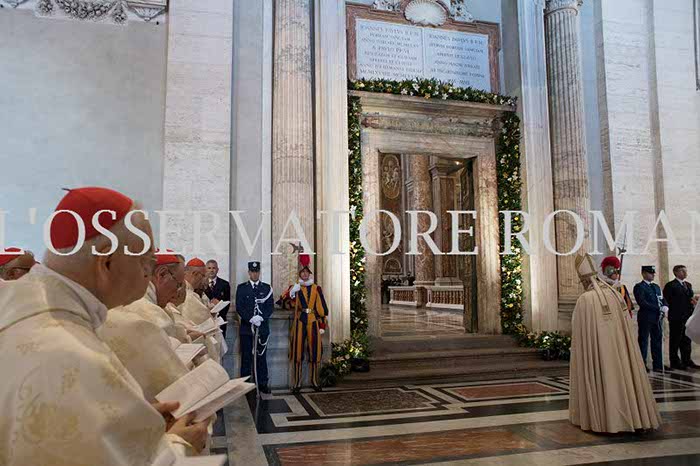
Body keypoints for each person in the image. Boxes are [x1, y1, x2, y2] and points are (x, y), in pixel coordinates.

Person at [0, 186, 209, 465]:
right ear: (106, 262)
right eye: (146, 262)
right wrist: (179, 445)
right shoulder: (71, 356)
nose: (148, 274)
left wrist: (139, 423)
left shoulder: (23, 312)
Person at [569, 253, 661, 433]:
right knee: (625, 376)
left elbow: (580, 335)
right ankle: (635, 416)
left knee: (604, 378)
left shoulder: (584, 300)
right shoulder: (615, 294)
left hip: (599, 353)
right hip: (621, 351)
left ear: (584, 280)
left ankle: (607, 419)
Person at [98, 250, 191, 400]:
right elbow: (174, 387)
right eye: (179, 284)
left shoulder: (117, 301)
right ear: (162, 274)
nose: (178, 291)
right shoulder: (151, 314)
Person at [289, 254, 329, 392]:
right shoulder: (295, 287)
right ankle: (297, 383)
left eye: (307, 272)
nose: (305, 274)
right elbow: (286, 303)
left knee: (315, 351)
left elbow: (322, 308)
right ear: (300, 273)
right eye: (302, 272)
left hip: (312, 320)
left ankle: (314, 381)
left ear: (309, 273)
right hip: (300, 321)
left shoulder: (316, 288)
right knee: (297, 352)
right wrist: (292, 294)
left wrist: (322, 325)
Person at [235, 261, 274, 393]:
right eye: (252, 271)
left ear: (259, 272)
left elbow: (270, 307)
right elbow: (239, 307)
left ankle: (262, 383)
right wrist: (250, 318)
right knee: (246, 357)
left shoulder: (266, 288)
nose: (255, 274)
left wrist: (261, 318)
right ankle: (245, 384)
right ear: (249, 272)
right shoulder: (242, 288)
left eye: (256, 271)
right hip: (247, 329)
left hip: (262, 329)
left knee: (261, 357)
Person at [633, 265, 670, 373]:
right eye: (650, 273)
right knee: (643, 341)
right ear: (644, 273)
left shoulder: (656, 286)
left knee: (657, 340)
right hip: (646, 317)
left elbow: (662, 299)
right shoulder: (639, 287)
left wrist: (665, 306)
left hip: (657, 318)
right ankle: (642, 365)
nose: (653, 275)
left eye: (653, 273)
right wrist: (658, 308)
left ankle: (658, 364)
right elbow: (642, 302)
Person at [663, 265, 698, 370]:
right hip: (676, 317)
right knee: (675, 340)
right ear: (676, 272)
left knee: (686, 339)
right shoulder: (670, 285)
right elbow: (666, 300)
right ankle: (675, 362)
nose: (685, 273)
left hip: (688, 316)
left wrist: (694, 300)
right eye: (683, 271)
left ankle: (687, 360)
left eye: (685, 271)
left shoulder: (688, 284)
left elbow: (690, 298)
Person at [204, 259, 231, 337]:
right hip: (206, 321)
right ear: (206, 269)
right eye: (209, 268)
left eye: (214, 268)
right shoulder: (201, 284)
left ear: (217, 270)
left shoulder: (225, 284)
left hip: (220, 320)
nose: (211, 270)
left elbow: (227, 303)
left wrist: (219, 307)